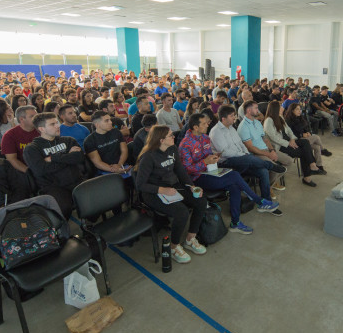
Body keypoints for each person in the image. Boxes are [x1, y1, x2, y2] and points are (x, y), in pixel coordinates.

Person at [180, 113, 279, 234]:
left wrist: (213, 157)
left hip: (211, 171)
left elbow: (207, 156)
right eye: (204, 123)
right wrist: (205, 162)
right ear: (195, 127)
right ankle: (259, 201)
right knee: (234, 175)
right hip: (197, 178)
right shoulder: (185, 144)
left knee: (234, 185)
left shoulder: (205, 138)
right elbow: (187, 169)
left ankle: (235, 223)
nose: (207, 125)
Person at [134, 126, 207, 264]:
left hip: (172, 187)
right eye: (170, 135)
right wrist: (162, 190)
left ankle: (190, 238)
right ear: (161, 140)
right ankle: (174, 247)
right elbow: (140, 185)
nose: (174, 136)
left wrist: (191, 186)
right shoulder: (148, 157)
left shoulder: (172, 149)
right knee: (182, 212)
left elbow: (179, 169)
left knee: (201, 201)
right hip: (153, 192)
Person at [210, 105, 285, 203]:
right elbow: (226, 152)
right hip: (226, 162)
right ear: (223, 119)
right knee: (249, 158)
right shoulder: (216, 132)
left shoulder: (231, 128)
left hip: (241, 159)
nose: (234, 118)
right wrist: (244, 155)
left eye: (234, 115)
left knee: (263, 171)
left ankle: (267, 201)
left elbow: (241, 144)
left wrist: (245, 153)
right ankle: (271, 165)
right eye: (232, 116)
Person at [23, 112, 85, 218]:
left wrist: (53, 158)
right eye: (52, 124)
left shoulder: (68, 140)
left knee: (97, 198)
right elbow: (41, 170)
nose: (58, 126)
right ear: (41, 129)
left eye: (57, 122)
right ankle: (62, 232)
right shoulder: (32, 149)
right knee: (63, 209)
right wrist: (67, 157)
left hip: (77, 180)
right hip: (54, 187)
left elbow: (79, 158)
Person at [264, 101, 323, 187]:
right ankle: (308, 175)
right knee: (304, 152)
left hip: (288, 141)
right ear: (275, 109)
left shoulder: (280, 117)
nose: (282, 108)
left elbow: (288, 130)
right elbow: (273, 138)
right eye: (280, 106)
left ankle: (312, 165)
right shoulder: (269, 121)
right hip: (280, 146)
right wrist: (288, 143)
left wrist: (292, 139)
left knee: (305, 142)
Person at [285, 103, 331, 172]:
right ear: (292, 110)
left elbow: (305, 127)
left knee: (317, 147)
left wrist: (308, 133)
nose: (299, 111)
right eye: (297, 109)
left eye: (300, 109)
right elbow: (290, 134)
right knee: (316, 137)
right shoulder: (288, 120)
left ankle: (319, 166)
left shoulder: (300, 117)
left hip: (304, 139)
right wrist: (301, 135)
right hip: (296, 141)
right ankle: (323, 150)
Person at [84, 111, 129, 176]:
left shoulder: (116, 132)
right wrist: (114, 169)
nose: (111, 122)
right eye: (106, 121)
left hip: (122, 164)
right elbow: (98, 163)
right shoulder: (89, 141)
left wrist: (119, 165)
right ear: (97, 125)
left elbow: (124, 151)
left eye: (110, 120)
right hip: (104, 170)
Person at [0, 106, 39, 173]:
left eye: (37, 116)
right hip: (23, 172)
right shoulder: (9, 135)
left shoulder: (42, 130)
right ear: (21, 119)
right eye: (32, 116)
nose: (37, 119)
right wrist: (30, 172)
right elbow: (12, 159)